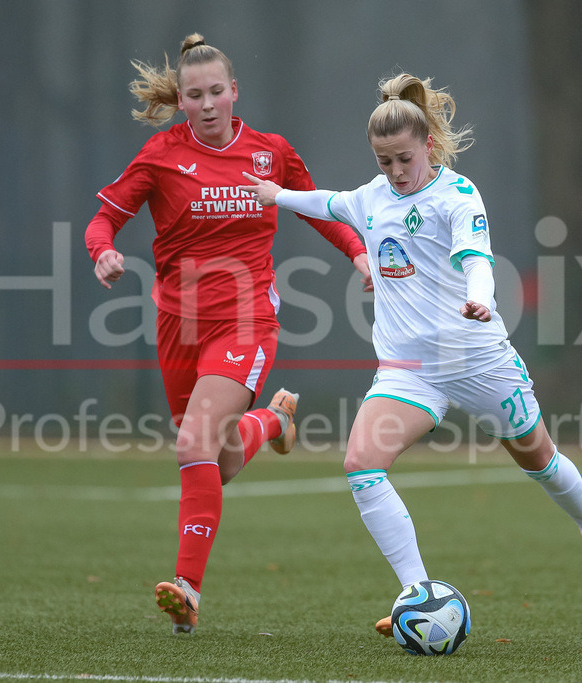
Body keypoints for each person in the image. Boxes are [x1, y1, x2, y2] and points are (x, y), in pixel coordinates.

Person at [240, 72, 582, 635]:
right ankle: (418, 594)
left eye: (404, 159)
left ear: (429, 147)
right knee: (361, 465)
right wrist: (277, 196)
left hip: (478, 360)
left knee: (538, 460)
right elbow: (329, 202)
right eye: (383, 161)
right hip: (408, 370)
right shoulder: (371, 198)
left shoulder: (457, 196)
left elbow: (477, 258)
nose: (395, 172)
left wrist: (480, 300)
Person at [85, 33, 371, 635]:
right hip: (176, 325)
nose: (209, 103)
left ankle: (187, 589)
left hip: (245, 321)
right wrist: (102, 250)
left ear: (235, 91)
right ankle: (273, 421)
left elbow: (319, 208)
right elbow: (106, 216)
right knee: (218, 459)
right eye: (196, 95)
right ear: (182, 101)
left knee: (192, 445)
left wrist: (359, 255)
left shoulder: (270, 152)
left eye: (218, 91)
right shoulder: (161, 155)